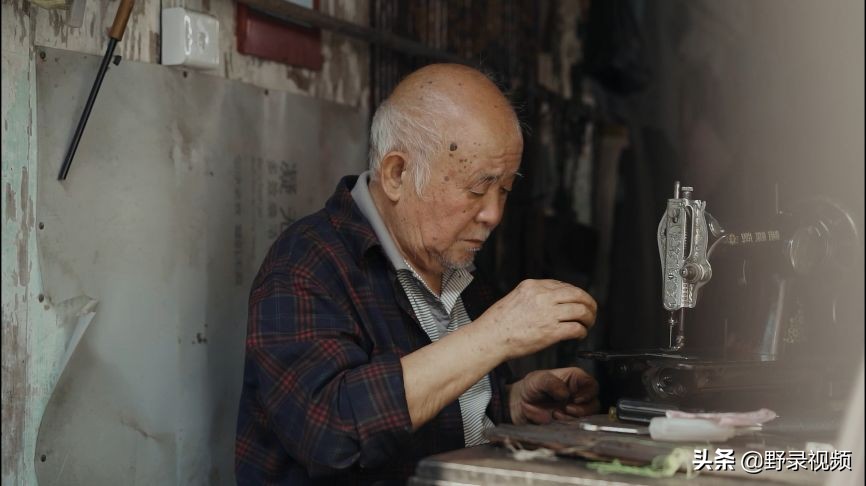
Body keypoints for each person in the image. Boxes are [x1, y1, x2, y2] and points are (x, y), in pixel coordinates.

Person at [235, 63, 599, 485]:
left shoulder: (455, 263)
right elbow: (330, 431)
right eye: (477, 189)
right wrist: (495, 334)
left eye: (505, 191)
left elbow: (433, 408)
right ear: (396, 174)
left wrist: (509, 403)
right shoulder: (307, 263)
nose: (493, 214)